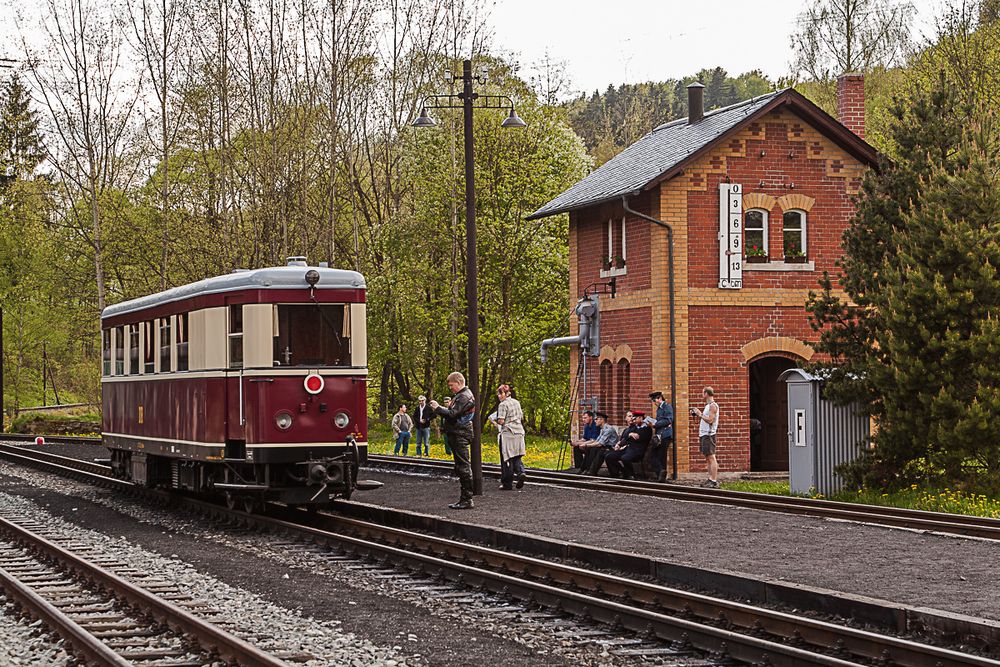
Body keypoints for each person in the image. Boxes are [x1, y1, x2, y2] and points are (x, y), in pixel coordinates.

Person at [430, 372, 476, 509]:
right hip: (457, 433)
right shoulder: (461, 396)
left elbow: (453, 414)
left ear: (458, 382)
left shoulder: (464, 397)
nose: (450, 388)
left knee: (463, 467)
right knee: (460, 467)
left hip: (460, 434)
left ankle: (467, 499)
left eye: (451, 385)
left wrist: (438, 408)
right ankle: (465, 498)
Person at [495, 384, 527, 491]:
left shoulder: (503, 405)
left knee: (507, 458)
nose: (499, 396)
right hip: (519, 432)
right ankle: (521, 472)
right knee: (517, 455)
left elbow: (501, 421)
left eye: (501, 393)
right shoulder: (516, 402)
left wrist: (495, 420)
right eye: (498, 394)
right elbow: (521, 416)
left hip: (508, 434)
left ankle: (507, 483)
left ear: (507, 393)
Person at [606, 410, 652, 479]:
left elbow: (637, 437)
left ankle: (631, 474)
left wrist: (630, 436)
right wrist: (620, 444)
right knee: (609, 456)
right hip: (627, 449)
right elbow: (626, 437)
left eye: (635, 418)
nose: (634, 420)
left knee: (625, 458)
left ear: (641, 418)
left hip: (637, 451)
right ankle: (617, 474)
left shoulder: (647, 428)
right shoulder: (634, 427)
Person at [693, 386, 720, 488]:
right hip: (704, 434)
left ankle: (713, 480)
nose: (701, 395)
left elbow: (710, 420)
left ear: (706, 394)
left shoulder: (713, 406)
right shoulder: (708, 406)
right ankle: (710, 479)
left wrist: (699, 414)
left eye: (702, 393)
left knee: (711, 457)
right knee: (708, 457)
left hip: (709, 435)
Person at [649, 391, 674, 482]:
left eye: (655, 400)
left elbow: (669, 420)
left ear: (660, 398)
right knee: (654, 455)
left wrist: (655, 424)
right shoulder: (659, 408)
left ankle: (662, 476)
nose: (654, 403)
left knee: (661, 455)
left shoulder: (667, 407)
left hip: (665, 434)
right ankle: (660, 473)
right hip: (659, 435)